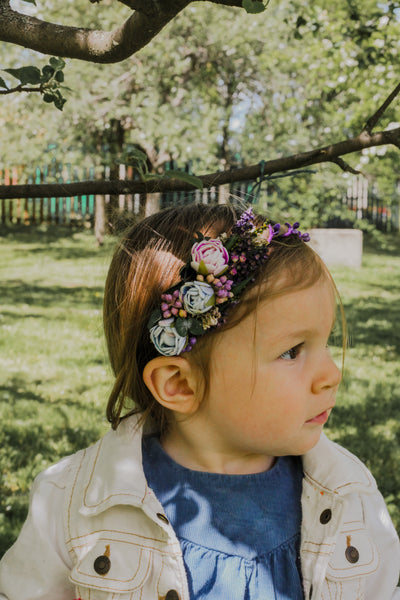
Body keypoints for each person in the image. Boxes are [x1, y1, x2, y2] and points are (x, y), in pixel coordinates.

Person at [0, 203, 399, 600]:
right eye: (292, 351)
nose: (332, 374)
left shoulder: (349, 494)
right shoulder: (73, 504)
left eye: (325, 343)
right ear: (179, 385)